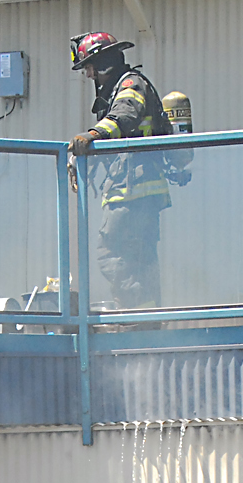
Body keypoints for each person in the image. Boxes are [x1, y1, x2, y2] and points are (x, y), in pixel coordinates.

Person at [67, 32, 173, 311]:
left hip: (133, 189)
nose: (89, 75)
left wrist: (92, 134)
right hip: (137, 188)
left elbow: (124, 117)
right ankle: (147, 315)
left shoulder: (129, 84)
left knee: (110, 253)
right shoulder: (121, 86)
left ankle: (133, 311)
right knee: (140, 258)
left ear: (103, 64)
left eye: (89, 67)